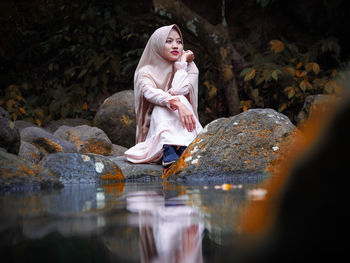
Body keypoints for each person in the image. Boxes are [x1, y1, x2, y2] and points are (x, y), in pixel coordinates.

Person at [124, 24, 203, 167]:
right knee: (166, 103)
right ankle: (168, 147)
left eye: (179, 42)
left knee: (178, 99)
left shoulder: (189, 67)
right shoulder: (145, 72)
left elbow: (180, 89)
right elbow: (150, 94)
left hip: (183, 122)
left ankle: (180, 146)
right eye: (169, 41)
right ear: (158, 44)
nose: (175, 46)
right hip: (154, 128)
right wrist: (175, 103)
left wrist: (182, 63)